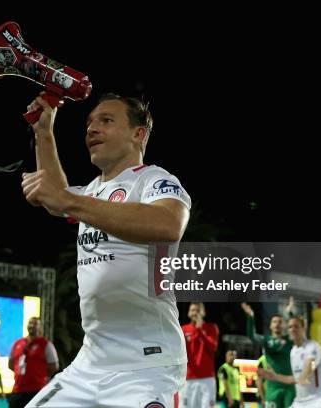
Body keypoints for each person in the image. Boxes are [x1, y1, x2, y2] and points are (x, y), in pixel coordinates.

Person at [20, 92, 191, 407]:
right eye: (89, 123)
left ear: (138, 134)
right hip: (89, 365)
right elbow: (59, 197)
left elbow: (168, 224)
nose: (91, 129)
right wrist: (44, 131)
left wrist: (67, 200)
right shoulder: (93, 192)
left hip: (146, 364)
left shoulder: (154, 180)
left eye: (106, 121)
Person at [258, 316, 321, 408]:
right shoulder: (293, 351)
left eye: (296, 326)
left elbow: (306, 376)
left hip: (317, 401)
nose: (292, 329)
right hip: (300, 402)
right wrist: (275, 377)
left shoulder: (313, 347)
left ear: (304, 328)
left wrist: (301, 377)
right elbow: (295, 379)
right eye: (290, 327)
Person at [241, 299, 296, 408]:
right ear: (270, 326)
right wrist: (251, 317)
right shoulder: (266, 341)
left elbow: (296, 329)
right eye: (274, 322)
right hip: (272, 388)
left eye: (280, 322)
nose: (277, 324)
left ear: (285, 326)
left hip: (289, 387)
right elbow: (252, 336)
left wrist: (290, 313)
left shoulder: (290, 340)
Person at [9, 317, 59, 408]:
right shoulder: (17, 343)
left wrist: (39, 376)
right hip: (17, 390)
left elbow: (54, 367)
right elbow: (11, 364)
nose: (32, 325)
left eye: (35, 324)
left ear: (40, 327)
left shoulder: (46, 344)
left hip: (37, 391)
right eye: (30, 323)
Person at [181, 302, 219, 408]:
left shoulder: (211, 328)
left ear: (204, 312)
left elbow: (213, 347)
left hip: (207, 380)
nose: (195, 313)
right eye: (193, 310)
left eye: (198, 310)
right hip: (188, 379)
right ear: (188, 313)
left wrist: (200, 329)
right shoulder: (183, 330)